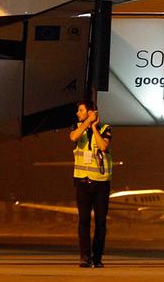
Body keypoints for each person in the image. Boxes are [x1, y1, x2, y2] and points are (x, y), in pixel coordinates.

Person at [69, 100, 112, 268]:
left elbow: (103, 146)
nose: (77, 113)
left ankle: (97, 257)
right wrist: (86, 123)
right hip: (82, 181)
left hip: (101, 183)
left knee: (101, 222)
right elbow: (73, 137)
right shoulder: (77, 126)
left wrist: (94, 127)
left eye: (81, 110)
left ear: (91, 111)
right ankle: (85, 257)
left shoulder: (105, 128)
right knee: (84, 220)